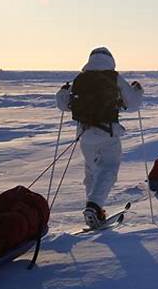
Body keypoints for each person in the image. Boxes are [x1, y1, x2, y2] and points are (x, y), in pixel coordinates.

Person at [55, 47, 143, 228]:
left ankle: (94, 212)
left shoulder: (81, 78)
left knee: (92, 171)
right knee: (108, 170)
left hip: (84, 134)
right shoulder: (114, 77)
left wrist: (62, 92)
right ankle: (94, 207)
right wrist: (138, 90)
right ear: (110, 59)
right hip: (107, 133)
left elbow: (63, 104)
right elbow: (133, 104)